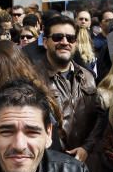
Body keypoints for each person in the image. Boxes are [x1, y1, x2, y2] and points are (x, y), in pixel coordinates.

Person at [38, 15, 100, 161]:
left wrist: (86, 148)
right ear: (46, 42)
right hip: (50, 162)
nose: (65, 42)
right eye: (58, 37)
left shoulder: (88, 76)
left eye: (70, 38)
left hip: (86, 160)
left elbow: (98, 119)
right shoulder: (33, 78)